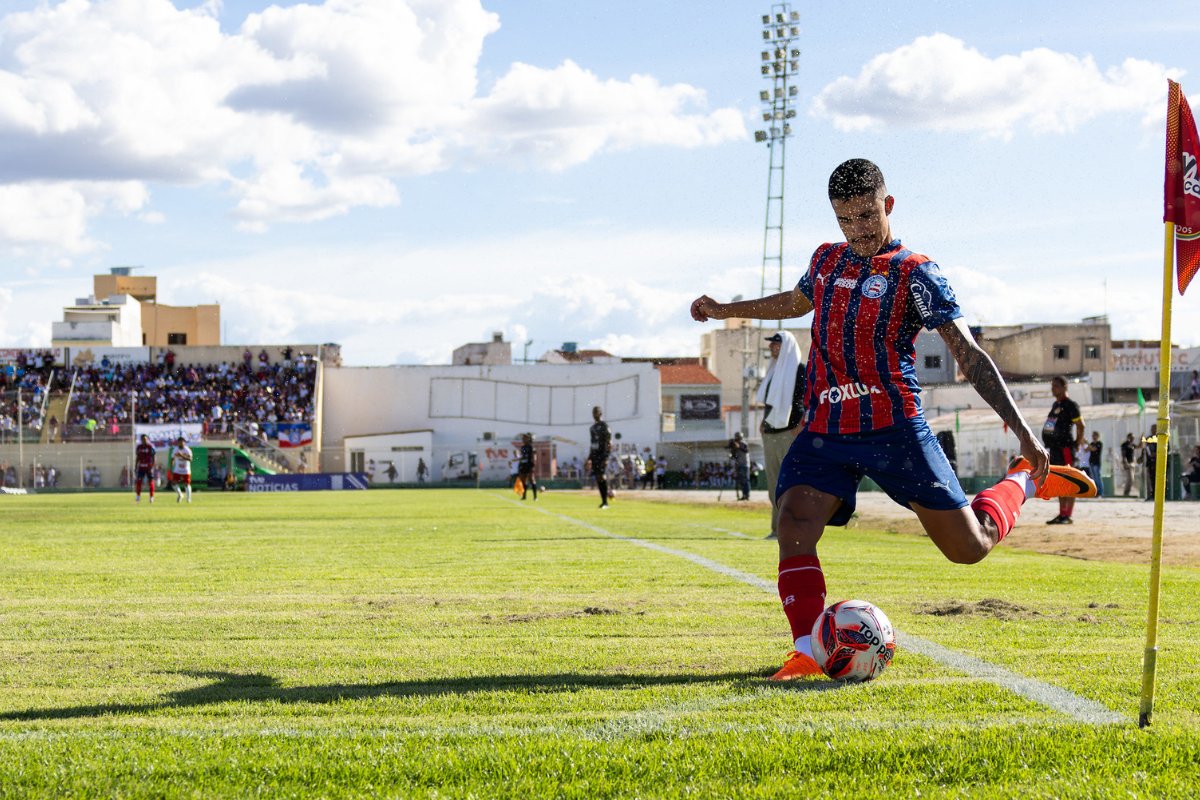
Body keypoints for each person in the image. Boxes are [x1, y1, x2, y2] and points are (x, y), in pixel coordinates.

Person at [689, 158, 1095, 680]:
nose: (856, 229)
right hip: (828, 427)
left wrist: (1024, 433)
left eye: (865, 215)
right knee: (793, 523)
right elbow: (796, 300)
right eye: (844, 219)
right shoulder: (826, 260)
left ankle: (1021, 480)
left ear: (888, 205)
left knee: (968, 549)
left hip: (894, 429)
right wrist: (727, 309)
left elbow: (968, 355)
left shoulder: (916, 272)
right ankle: (808, 653)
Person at [758, 331, 806, 539]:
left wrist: (800, 424)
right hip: (770, 432)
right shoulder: (773, 371)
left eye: (775, 344)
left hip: (789, 431)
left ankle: (792, 529)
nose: (771, 347)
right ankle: (777, 529)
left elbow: (805, 399)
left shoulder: (799, 370)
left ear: (785, 345)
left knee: (789, 483)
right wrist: (763, 420)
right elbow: (770, 402)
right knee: (773, 485)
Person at [1041, 376, 1086, 524]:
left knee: (1069, 480)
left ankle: (1067, 515)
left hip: (1066, 448)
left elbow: (1081, 425)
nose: (1053, 389)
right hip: (1055, 449)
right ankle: (1062, 514)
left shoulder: (1071, 405)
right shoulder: (1056, 405)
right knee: (1060, 481)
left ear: (1065, 387)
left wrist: (1077, 443)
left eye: (1056, 386)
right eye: (1052, 386)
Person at [586, 406, 612, 509]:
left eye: (596, 412)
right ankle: (603, 502)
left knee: (601, 476)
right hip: (595, 455)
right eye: (593, 412)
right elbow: (592, 444)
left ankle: (606, 502)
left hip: (602, 454)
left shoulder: (605, 426)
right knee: (598, 477)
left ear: (600, 413)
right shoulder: (592, 428)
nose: (594, 414)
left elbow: (609, 442)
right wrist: (589, 458)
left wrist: (606, 457)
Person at [168, 436, 193, 504]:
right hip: (177, 469)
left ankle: (188, 499)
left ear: (184, 443)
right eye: (179, 442)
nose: (181, 443)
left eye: (182, 442)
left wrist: (182, 455)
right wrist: (171, 468)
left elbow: (190, 459)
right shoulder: (175, 449)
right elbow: (172, 459)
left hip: (186, 470)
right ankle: (180, 494)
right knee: (173, 483)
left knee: (186, 484)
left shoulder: (187, 450)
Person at [134, 433, 157, 503]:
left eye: (145, 439)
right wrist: (136, 466)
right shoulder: (139, 447)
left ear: (147, 439)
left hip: (149, 467)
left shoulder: (151, 447)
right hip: (141, 467)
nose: (144, 440)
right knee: (139, 482)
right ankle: (138, 497)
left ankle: (151, 497)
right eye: (143, 439)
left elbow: (154, 457)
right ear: (141, 440)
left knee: (150, 482)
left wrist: (153, 466)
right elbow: (137, 457)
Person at [729, 431, 751, 501]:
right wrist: (733, 449)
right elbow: (733, 456)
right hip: (739, 465)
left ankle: (747, 495)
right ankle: (743, 495)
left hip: (745, 464)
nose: (737, 439)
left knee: (745, 480)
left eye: (738, 438)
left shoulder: (743, 443)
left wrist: (738, 446)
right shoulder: (735, 444)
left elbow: (746, 450)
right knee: (741, 481)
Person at [1140, 424, 1159, 502]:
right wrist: (1142, 457)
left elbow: (1167, 449)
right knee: (1151, 480)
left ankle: (1159, 495)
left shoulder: (1161, 438)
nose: (1153, 430)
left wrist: (1157, 453)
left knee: (1158, 480)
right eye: (1152, 429)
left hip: (1159, 462)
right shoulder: (1149, 438)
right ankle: (1152, 495)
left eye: (1154, 429)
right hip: (1150, 463)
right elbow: (1145, 449)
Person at [518, 432, 538, 501]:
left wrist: (533, 464)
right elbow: (522, 456)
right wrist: (520, 463)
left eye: (525, 438)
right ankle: (524, 496)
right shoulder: (523, 447)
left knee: (531, 479)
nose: (523, 439)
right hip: (523, 465)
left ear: (529, 439)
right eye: (523, 438)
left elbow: (534, 456)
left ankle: (535, 497)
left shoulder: (531, 447)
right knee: (523, 481)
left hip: (529, 465)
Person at [1086, 431, 1104, 498]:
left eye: (1095, 435)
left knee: (1098, 478)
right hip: (1091, 462)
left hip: (1096, 463)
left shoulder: (1099, 443)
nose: (1093, 437)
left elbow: (1093, 449)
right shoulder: (1091, 443)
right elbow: (1086, 450)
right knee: (1093, 478)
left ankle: (1101, 493)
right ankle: (1096, 493)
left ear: (1098, 436)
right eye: (1093, 435)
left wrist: (1087, 443)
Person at [1119, 433, 1137, 497]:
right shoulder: (1125, 445)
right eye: (1131, 437)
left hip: (1132, 463)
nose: (1133, 439)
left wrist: (1141, 440)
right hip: (1127, 463)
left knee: (1131, 479)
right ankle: (1126, 492)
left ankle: (1127, 492)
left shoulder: (1132, 444)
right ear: (1128, 437)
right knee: (1130, 478)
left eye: (1133, 438)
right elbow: (1123, 455)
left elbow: (1138, 447)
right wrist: (1125, 462)